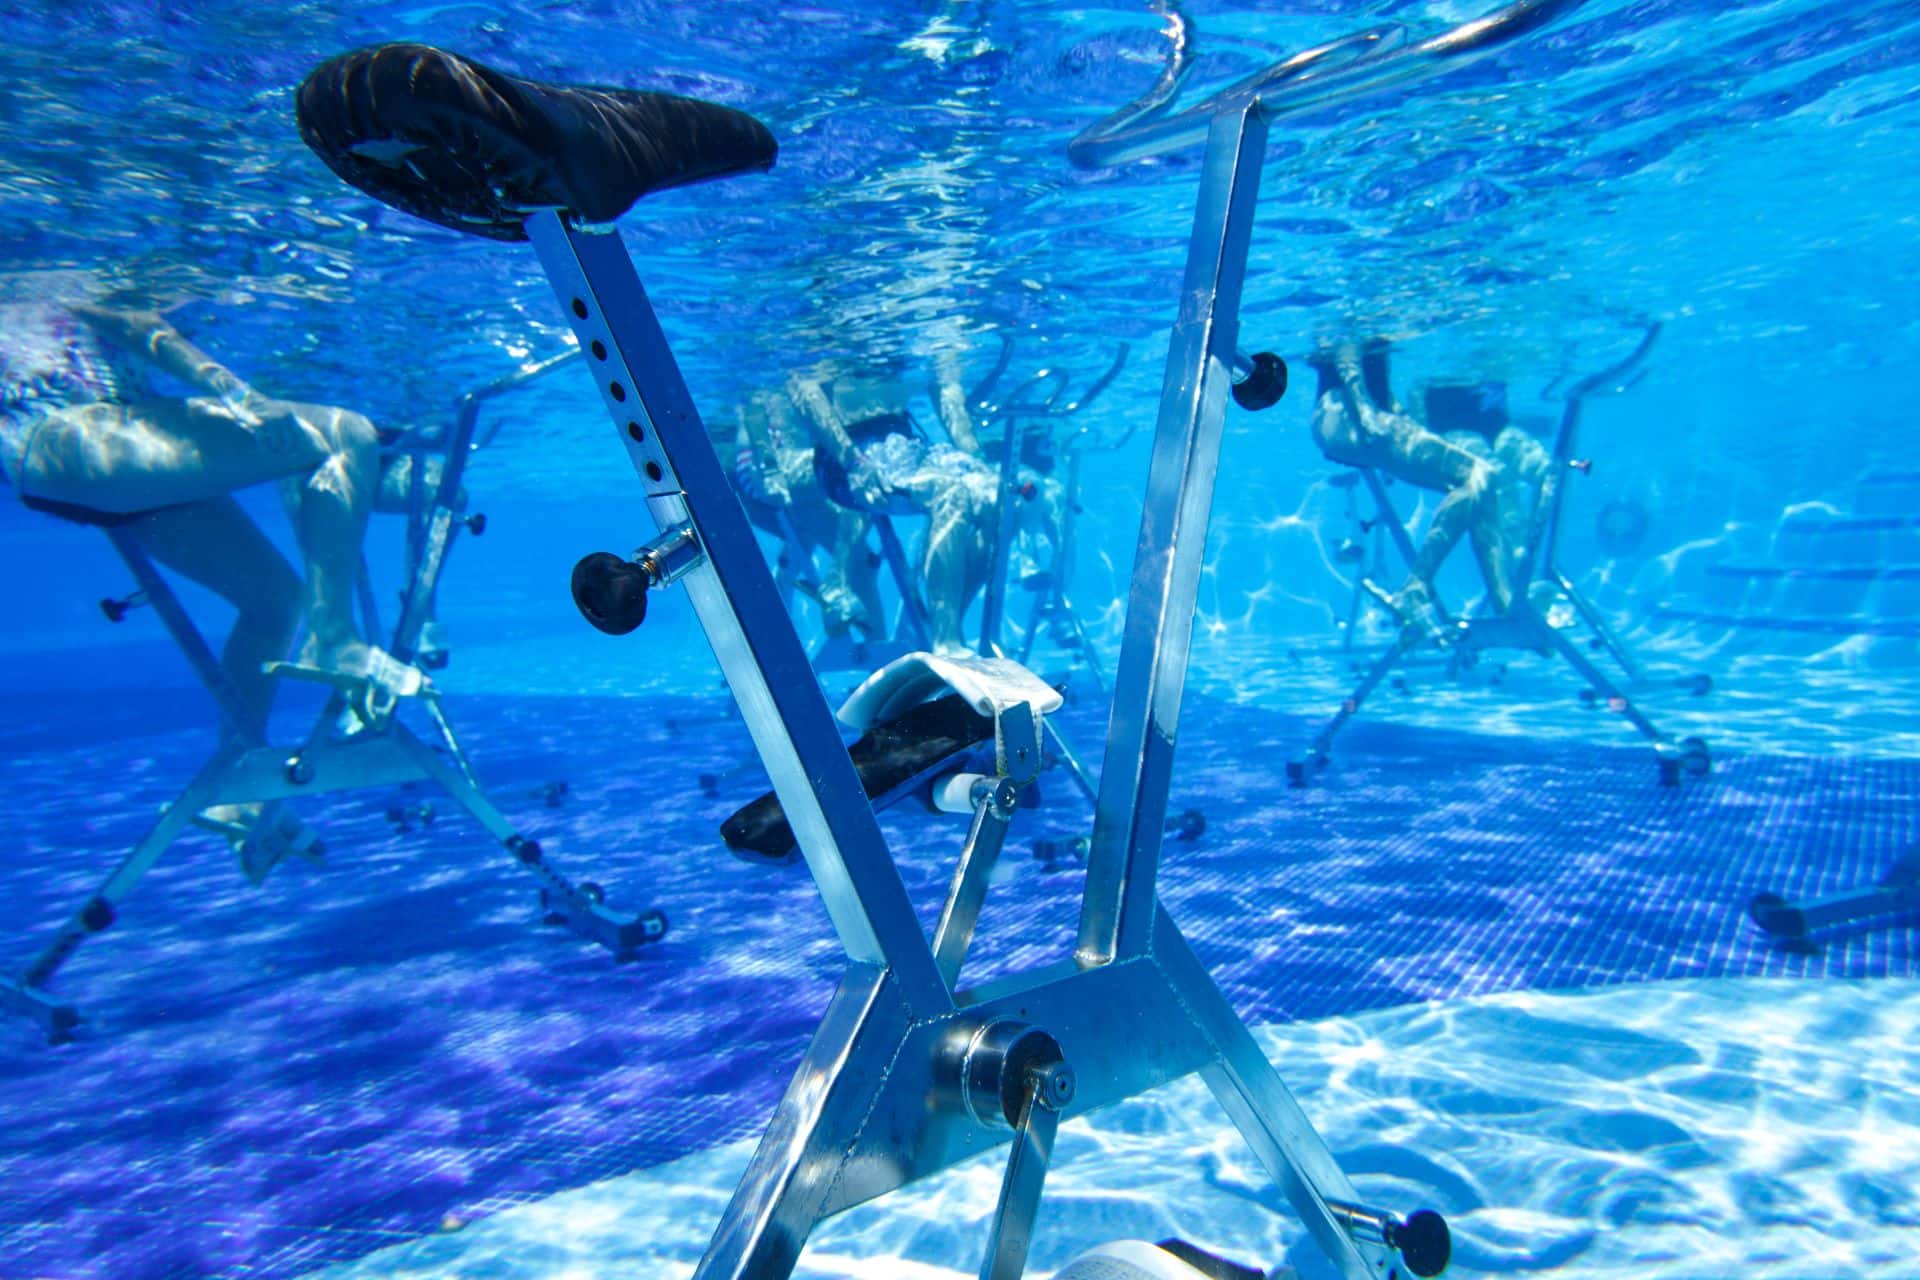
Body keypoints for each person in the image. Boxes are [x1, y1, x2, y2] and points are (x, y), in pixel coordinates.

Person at [0, 296, 426, 737]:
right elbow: (130, 321)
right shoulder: (95, 259)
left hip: (72, 459)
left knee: (275, 602)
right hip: (69, 433)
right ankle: (334, 639)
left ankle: (240, 784)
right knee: (344, 433)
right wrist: (244, 398)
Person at [1307, 339, 1518, 644]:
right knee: (1477, 473)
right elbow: (1347, 356)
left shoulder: (1382, 321)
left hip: (1345, 417)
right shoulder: (1365, 311)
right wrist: (1367, 418)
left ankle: (1502, 600)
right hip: (1341, 415)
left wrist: (1394, 415)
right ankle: (1417, 588)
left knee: (1482, 483)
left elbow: (1373, 376)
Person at [786, 355, 998, 656]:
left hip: (904, 444)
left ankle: (943, 619)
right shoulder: (822, 330)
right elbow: (803, 391)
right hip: (846, 457)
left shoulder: (914, 324)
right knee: (949, 492)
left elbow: (945, 386)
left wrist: (975, 457)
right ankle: (946, 639)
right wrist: (853, 462)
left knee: (996, 497)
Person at [729, 388, 888, 645]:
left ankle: (771, 639)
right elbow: (752, 406)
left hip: (799, 470)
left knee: (844, 550)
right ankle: (868, 632)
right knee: (855, 489)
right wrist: (770, 469)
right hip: (764, 468)